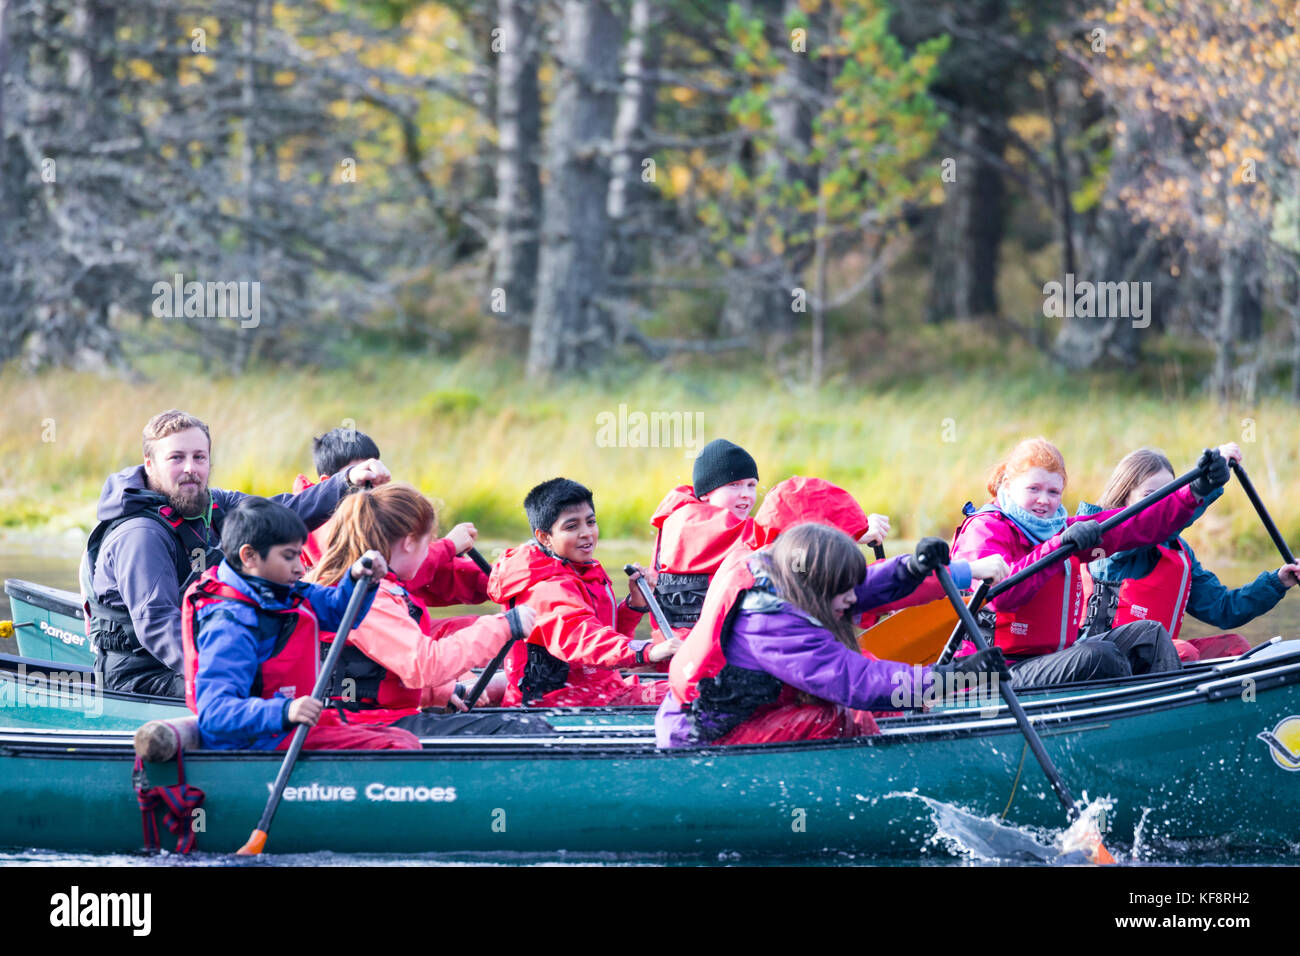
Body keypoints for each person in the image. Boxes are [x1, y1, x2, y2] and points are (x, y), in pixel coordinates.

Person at [84, 409, 390, 698]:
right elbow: (158, 624)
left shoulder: (213, 504)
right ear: (150, 464)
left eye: (199, 457)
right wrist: (224, 676)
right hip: (142, 675)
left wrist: (345, 481)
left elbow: (283, 512)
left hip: (206, 649)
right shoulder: (141, 535)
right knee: (268, 692)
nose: (190, 468)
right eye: (176, 458)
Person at [657, 524, 1011, 747]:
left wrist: (912, 568)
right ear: (818, 588)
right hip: (703, 737)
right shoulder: (771, 626)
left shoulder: (788, 574)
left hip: (743, 713)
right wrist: (948, 679)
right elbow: (858, 682)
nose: (855, 599)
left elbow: (862, 585)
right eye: (845, 592)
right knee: (841, 716)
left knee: (865, 712)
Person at [950, 437, 1231, 686]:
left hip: (1049, 660)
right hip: (992, 673)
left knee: (1151, 634)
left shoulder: (1057, 528)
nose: (1043, 501)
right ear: (1009, 486)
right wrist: (1056, 546)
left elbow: (1135, 525)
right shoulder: (984, 530)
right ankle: (1123, 729)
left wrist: (1197, 490)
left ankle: (1164, 722)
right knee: (1099, 657)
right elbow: (1003, 597)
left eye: (1053, 492)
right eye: (1033, 488)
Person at [304, 484, 551, 734]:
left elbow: (383, 677)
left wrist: (439, 693)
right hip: (367, 728)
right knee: (526, 729)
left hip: (378, 718)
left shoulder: (380, 589)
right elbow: (425, 666)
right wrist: (503, 626)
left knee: (517, 723)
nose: (430, 551)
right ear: (410, 542)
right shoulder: (372, 599)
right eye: (428, 542)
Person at [181, 497, 419, 751]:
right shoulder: (229, 624)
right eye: (289, 557)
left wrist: (358, 579)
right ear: (249, 556)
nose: (299, 568)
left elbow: (341, 614)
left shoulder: (282, 592)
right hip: (253, 742)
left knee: (403, 738)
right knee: (397, 746)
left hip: (283, 731)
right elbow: (215, 712)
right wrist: (286, 710)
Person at [1079, 444, 1300, 661]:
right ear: (1124, 498)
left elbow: (1223, 608)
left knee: (1235, 647)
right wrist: (1206, 485)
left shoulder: (1180, 553)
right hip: (1104, 659)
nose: (1159, 504)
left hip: (1156, 659)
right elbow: (1152, 529)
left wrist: (1277, 582)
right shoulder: (1109, 542)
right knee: (1184, 651)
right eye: (1149, 495)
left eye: (1167, 496)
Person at [648, 439, 888, 638]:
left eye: (751, 485)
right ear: (705, 494)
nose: (746, 495)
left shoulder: (673, 522)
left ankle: (878, 604)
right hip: (706, 658)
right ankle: (886, 598)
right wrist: (853, 530)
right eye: (733, 485)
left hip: (690, 651)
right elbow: (777, 532)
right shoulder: (696, 524)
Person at [488, 477, 679, 707]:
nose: (586, 533)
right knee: (693, 694)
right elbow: (582, 639)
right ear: (544, 537)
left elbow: (605, 639)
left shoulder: (583, 569)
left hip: (601, 690)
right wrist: (647, 651)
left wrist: (633, 606)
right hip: (559, 704)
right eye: (571, 526)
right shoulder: (545, 588)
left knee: (699, 687)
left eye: (591, 522)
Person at [292, 427, 485, 609]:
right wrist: (449, 546)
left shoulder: (370, 517)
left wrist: (500, 577)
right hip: (353, 630)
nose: (373, 487)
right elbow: (395, 572)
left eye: (375, 473)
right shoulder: (324, 527)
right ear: (329, 483)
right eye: (364, 478)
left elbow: (427, 574)